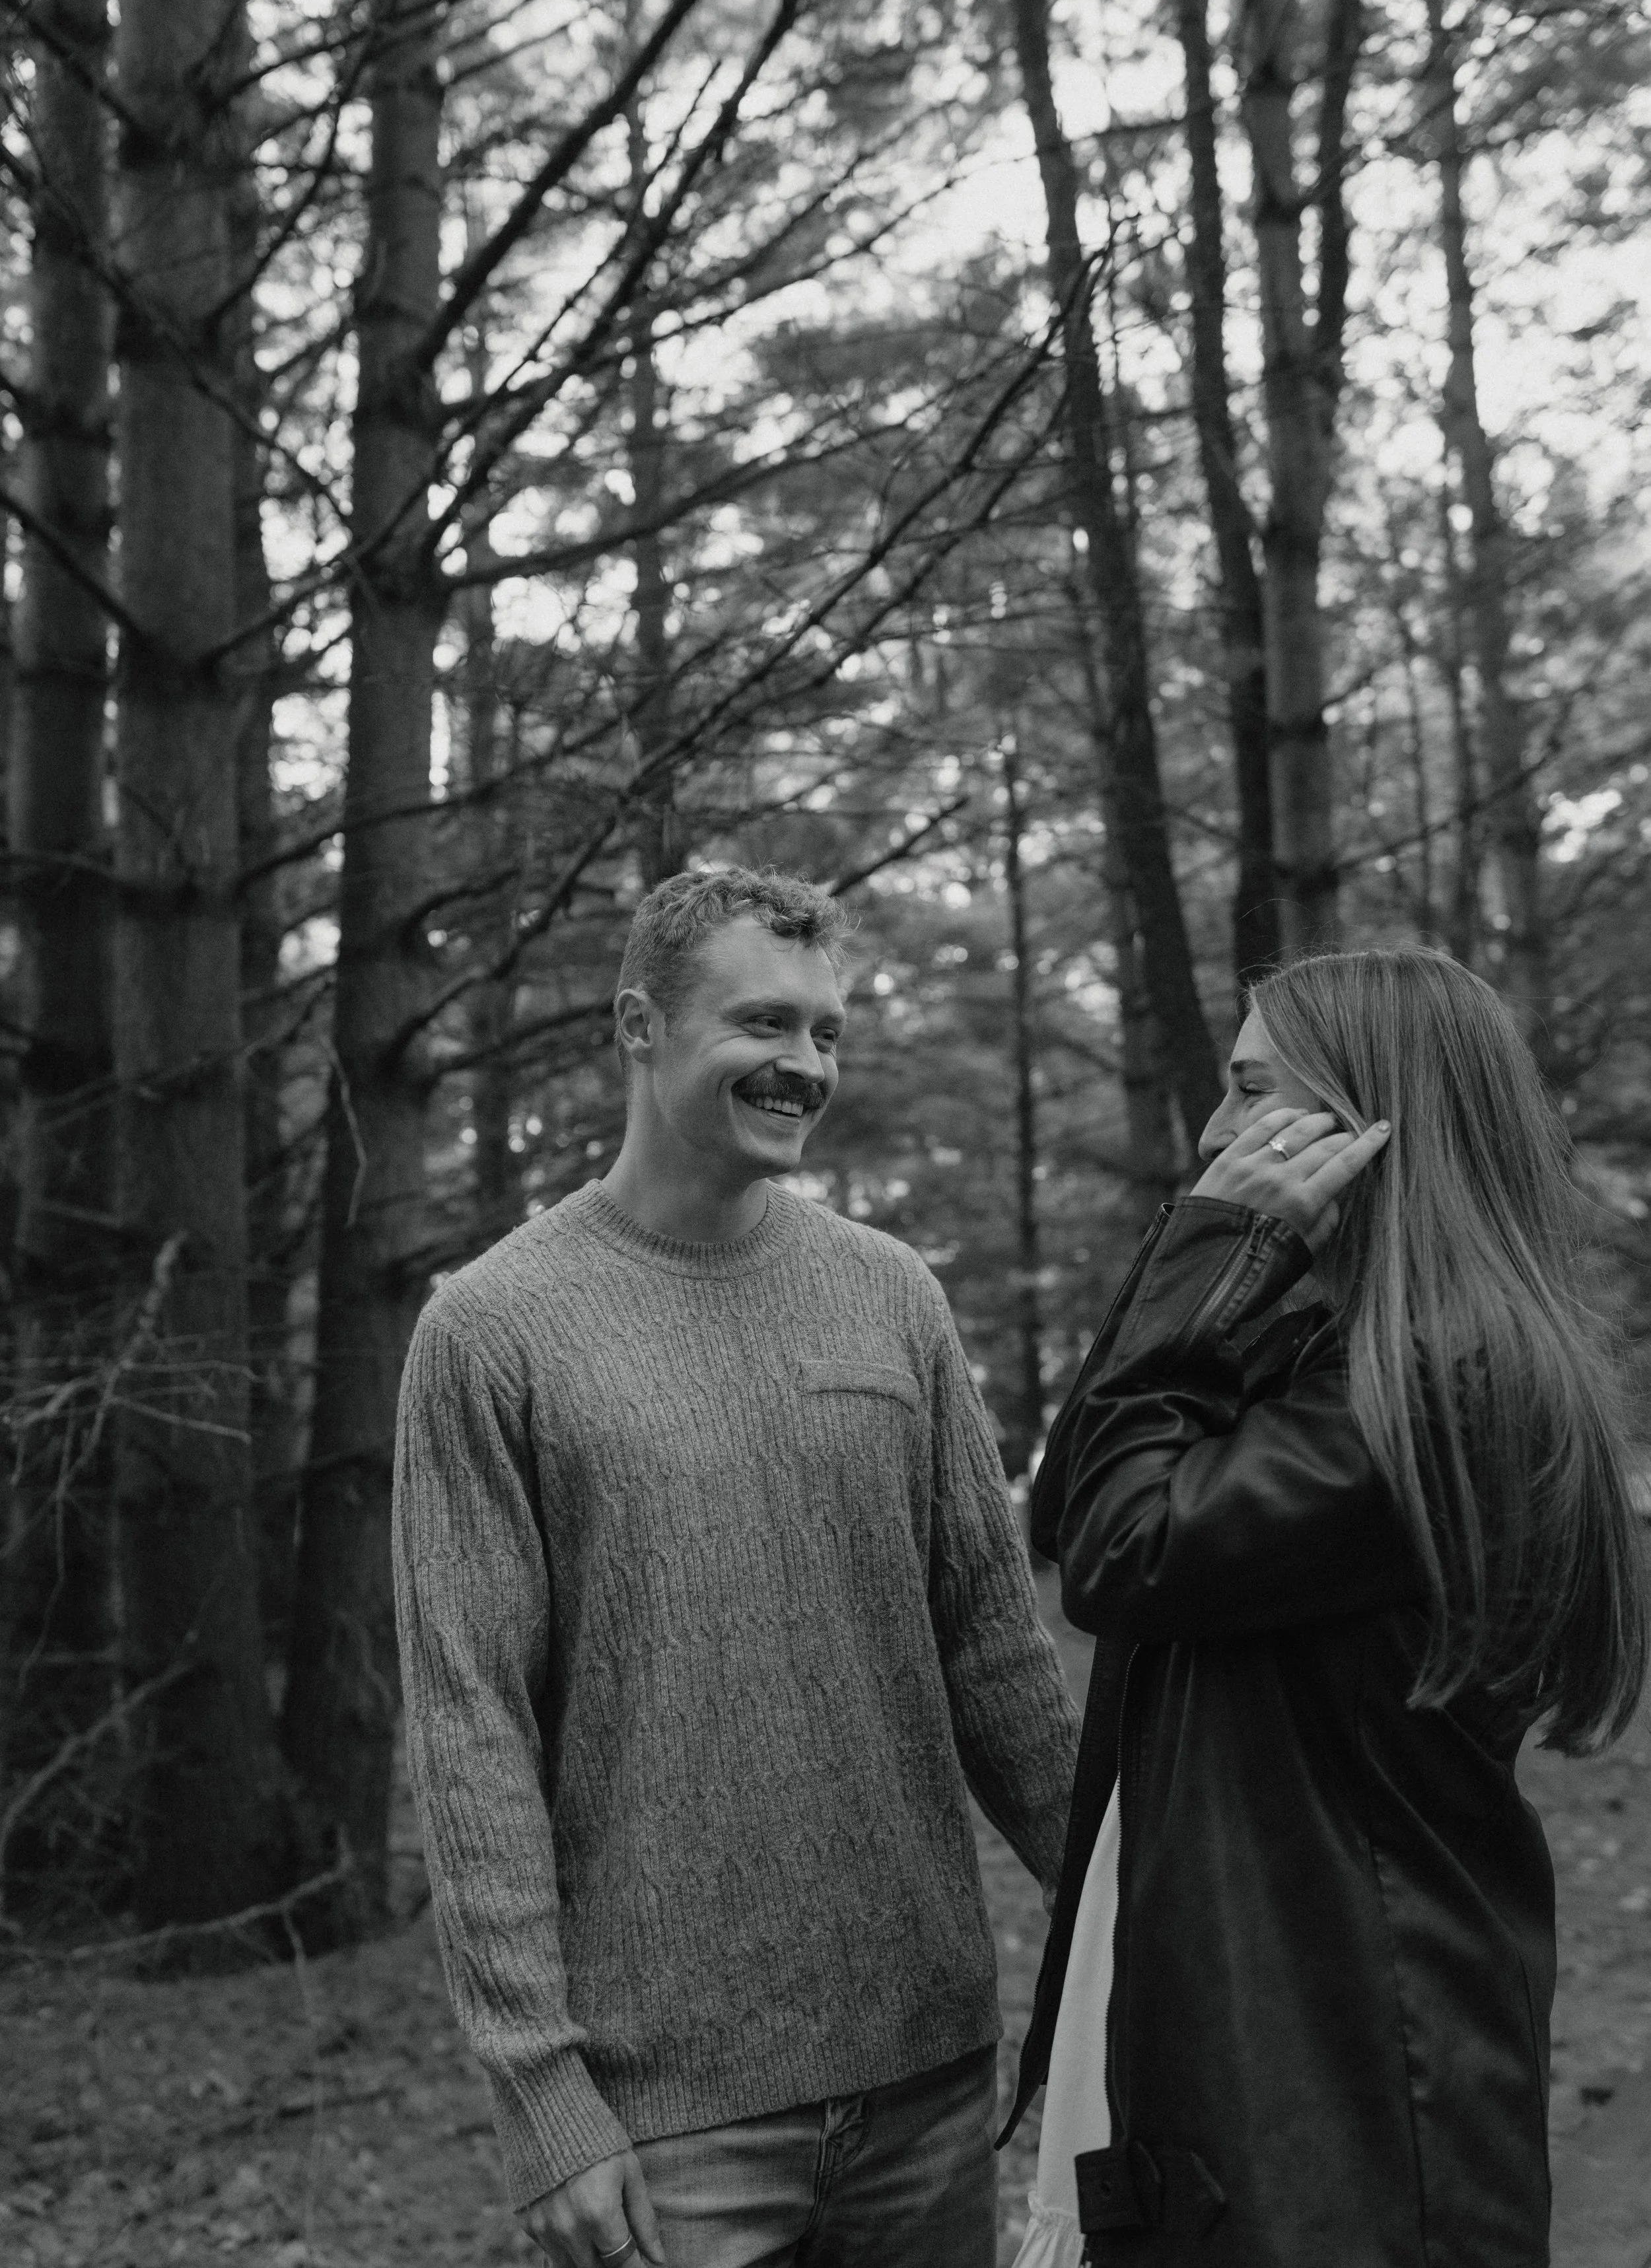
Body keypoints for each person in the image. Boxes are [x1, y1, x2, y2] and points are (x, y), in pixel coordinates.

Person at [394, 864, 1079, 2268]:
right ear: (641, 1025)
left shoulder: (890, 1293)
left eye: (826, 1033)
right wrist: (546, 2103)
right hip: (665, 2127)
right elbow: (472, 1731)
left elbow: (995, 1656)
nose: (805, 1066)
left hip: (928, 2080)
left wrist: (1131, 1911)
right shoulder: (493, 1329)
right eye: (764, 1026)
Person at [1004, 947, 1650, 2268]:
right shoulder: (1330, 1353)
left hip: (1343, 2089)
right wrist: (1211, 1256)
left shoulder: (1435, 1383)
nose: (1213, 1133)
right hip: (1294, 2041)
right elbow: (1071, 1507)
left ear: (1366, 1125)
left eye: (1250, 1093)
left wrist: (1208, 1249)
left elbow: (1118, 1551)